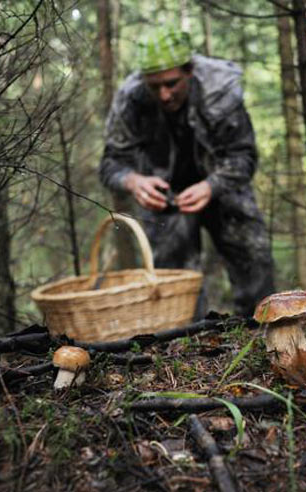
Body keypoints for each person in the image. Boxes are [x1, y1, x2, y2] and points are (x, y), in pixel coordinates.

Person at [99, 28, 275, 317]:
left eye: (171, 83)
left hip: (224, 187)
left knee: (253, 260)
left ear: (189, 71)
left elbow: (244, 156)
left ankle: (265, 335)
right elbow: (110, 165)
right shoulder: (130, 100)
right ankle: (187, 350)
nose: (164, 95)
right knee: (174, 288)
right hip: (166, 199)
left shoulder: (219, 87)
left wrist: (211, 186)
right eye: (154, 87)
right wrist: (133, 181)